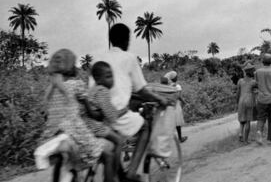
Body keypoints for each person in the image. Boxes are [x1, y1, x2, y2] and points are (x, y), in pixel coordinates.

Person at [90, 23, 169, 181]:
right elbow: (141, 90)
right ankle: (131, 172)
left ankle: (118, 173)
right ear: (126, 40)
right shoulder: (129, 58)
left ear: (110, 39)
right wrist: (160, 99)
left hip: (96, 113)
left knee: (116, 138)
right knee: (145, 127)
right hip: (114, 112)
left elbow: (100, 88)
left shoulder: (97, 59)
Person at [34, 49, 114, 182]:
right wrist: (98, 114)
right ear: (73, 68)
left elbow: (46, 115)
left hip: (51, 136)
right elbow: (90, 111)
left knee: (71, 164)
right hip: (75, 135)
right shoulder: (77, 85)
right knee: (108, 155)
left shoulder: (50, 90)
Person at [78, 61, 126, 182]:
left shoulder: (93, 90)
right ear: (98, 79)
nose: (112, 80)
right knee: (119, 141)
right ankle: (114, 174)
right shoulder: (102, 91)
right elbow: (110, 115)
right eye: (108, 76)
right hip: (92, 125)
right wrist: (123, 111)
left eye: (112, 76)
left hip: (84, 124)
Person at [254, 53, 271, 145]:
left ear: (262, 61)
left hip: (261, 98)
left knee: (260, 118)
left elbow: (256, 84)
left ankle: (259, 132)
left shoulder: (257, 72)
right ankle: (269, 139)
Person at [236, 63, 258, 144]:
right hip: (249, 101)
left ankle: (240, 134)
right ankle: (245, 140)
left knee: (242, 118)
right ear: (251, 72)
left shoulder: (240, 81)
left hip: (241, 101)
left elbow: (238, 93)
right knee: (248, 121)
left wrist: (237, 102)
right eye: (253, 71)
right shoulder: (253, 82)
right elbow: (257, 90)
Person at [164, 71, 189, 143]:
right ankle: (180, 138)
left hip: (169, 105)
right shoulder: (177, 86)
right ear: (174, 78)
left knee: (170, 123)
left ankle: (166, 140)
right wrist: (185, 102)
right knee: (177, 123)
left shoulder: (168, 86)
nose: (177, 77)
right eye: (176, 76)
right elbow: (179, 96)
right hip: (176, 105)